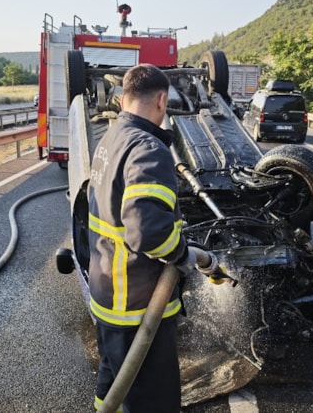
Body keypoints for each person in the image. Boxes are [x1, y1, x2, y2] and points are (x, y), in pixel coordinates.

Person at [86, 63, 221, 412]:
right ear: (162, 100)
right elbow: (148, 232)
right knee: (153, 401)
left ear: (124, 97)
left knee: (113, 379)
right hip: (136, 302)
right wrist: (182, 256)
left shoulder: (112, 137)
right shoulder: (148, 147)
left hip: (106, 291)